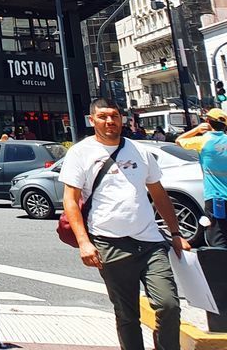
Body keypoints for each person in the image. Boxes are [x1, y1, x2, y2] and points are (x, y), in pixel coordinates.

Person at [60, 98, 189, 350]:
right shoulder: (80, 152)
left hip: (151, 242)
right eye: (103, 116)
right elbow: (71, 201)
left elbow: (159, 193)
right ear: (92, 120)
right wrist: (84, 243)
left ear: (122, 119)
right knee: (127, 314)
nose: (110, 121)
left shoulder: (139, 151)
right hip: (110, 243)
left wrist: (175, 233)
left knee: (169, 305)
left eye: (115, 116)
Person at [175, 107, 227, 247]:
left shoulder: (203, 140)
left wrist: (197, 129)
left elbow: (179, 140)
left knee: (218, 238)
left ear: (208, 122)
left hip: (216, 198)